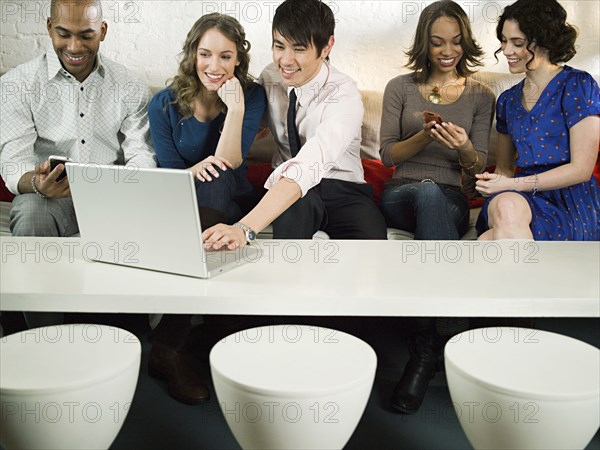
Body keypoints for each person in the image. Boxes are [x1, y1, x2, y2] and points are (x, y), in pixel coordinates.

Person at [0, 0, 156, 330]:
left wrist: (131, 184)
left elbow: (141, 152)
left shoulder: (128, 84)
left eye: (86, 35)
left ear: (103, 31)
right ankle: (44, 334)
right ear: (48, 28)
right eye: (63, 34)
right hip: (47, 198)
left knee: (137, 214)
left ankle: (123, 337)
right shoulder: (18, 84)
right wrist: (36, 182)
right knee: (29, 213)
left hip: (111, 198)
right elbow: (14, 161)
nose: (74, 47)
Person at [378, 0, 495, 415]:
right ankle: (450, 332)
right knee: (424, 191)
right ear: (424, 43)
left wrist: (463, 145)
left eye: (456, 42)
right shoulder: (400, 87)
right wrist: (426, 136)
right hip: (400, 194)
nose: (448, 51)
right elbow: (388, 155)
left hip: (451, 198)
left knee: (435, 196)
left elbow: (478, 164)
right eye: (438, 42)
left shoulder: (482, 95)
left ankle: (424, 350)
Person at [147, 13, 266, 405]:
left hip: (235, 197)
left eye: (226, 57)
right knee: (208, 184)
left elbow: (230, 160)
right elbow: (168, 174)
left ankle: (170, 343)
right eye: (205, 54)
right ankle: (179, 346)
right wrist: (191, 173)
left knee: (217, 176)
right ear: (192, 55)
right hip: (185, 201)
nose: (214, 67)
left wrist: (233, 110)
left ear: (238, 61)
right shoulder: (163, 104)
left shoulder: (251, 96)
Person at [202, 0, 387, 248]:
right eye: (279, 46)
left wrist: (243, 229)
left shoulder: (344, 94)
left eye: (299, 49)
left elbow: (311, 162)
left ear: (326, 47)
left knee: (373, 252)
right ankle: (282, 285)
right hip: (288, 191)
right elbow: (250, 126)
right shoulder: (270, 77)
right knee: (291, 226)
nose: (286, 61)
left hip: (344, 190)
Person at [475, 0, 600, 240]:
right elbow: (505, 169)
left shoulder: (578, 85)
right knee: (506, 206)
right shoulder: (507, 101)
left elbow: (582, 169)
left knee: (487, 241)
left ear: (544, 41)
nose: (506, 51)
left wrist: (512, 184)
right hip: (521, 202)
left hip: (570, 201)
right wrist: (490, 181)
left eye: (517, 43)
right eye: (503, 40)